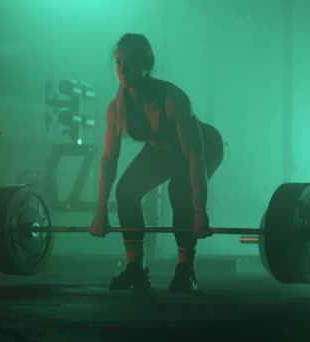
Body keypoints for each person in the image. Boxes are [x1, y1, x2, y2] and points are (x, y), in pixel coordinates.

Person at [89, 33, 224, 293]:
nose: (122, 69)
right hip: (161, 152)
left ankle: (186, 269)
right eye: (118, 62)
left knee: (179, 190)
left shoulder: (173, 100)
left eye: (129, 62)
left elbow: (195, 157)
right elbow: (108, 160)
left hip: (204, 147)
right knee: (126, 191)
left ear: (146, 64)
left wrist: (200, 212)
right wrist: (100, 210)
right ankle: (136, 270)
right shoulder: (116, 109)